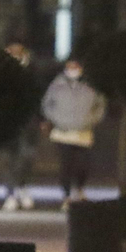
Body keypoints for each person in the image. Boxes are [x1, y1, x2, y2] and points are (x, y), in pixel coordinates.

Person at [42, 55, 106, 205]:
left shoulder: (91, 84)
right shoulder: (56, 84)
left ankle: (80, 189)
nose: (73, 69)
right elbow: (46, 104)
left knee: (83, 165)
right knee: (66, 165)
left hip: (83, 132)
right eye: (70, 66)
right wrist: (56, 119)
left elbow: (100, 105)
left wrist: (92, 120)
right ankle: (66, 195)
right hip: (63, 132)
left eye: (76, 66)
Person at [1, 41, 45, 211]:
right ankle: (11, 193)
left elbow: (38, 95)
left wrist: (41, 119)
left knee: (26, 156)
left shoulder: (33, 71)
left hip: (28, 121)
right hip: (6, 121)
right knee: (7, 159)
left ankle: (22, 187)